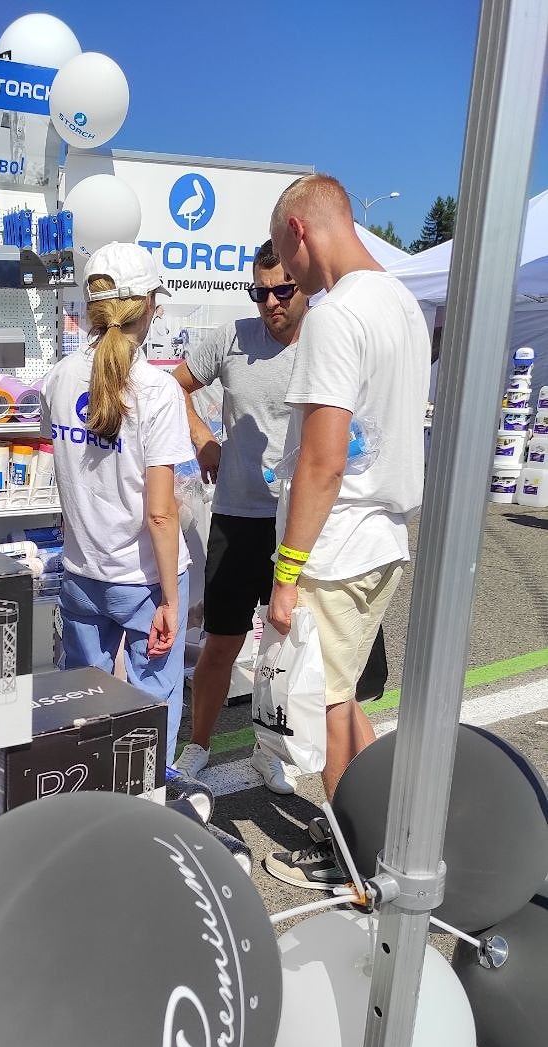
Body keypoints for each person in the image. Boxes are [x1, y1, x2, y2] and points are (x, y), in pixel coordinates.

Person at [263, 173, 429, 889]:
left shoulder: (336, 314)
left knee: (326, 703)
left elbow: (323, 460)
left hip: (335, 547)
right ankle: (377, 827)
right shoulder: (401, 302)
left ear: (299, 232)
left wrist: (286, 572)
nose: (287, 276)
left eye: (282, 254)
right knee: (348, 696)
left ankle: (350, 858)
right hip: (382, 536)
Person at [41, 242, 193, 768]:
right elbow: (160, 512)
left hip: (83, 570)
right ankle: (146, 796)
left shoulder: (59, 378)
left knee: (83, 699)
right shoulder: (156, 389)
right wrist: (171, 600)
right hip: (144, 577)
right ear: (148, 305)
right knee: (151, 701)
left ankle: (85, 790)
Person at [172, 239, 309, 793]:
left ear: (303, 286)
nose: (271, 302)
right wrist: (202, 437)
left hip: (295, 522)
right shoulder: (231, 337)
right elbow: (173, 388)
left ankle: (268, 750)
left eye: (283, 291)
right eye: (260, 292)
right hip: (235, 516)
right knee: (222, 644)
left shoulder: (325, 341)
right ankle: (198, 745)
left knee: (283, 648)